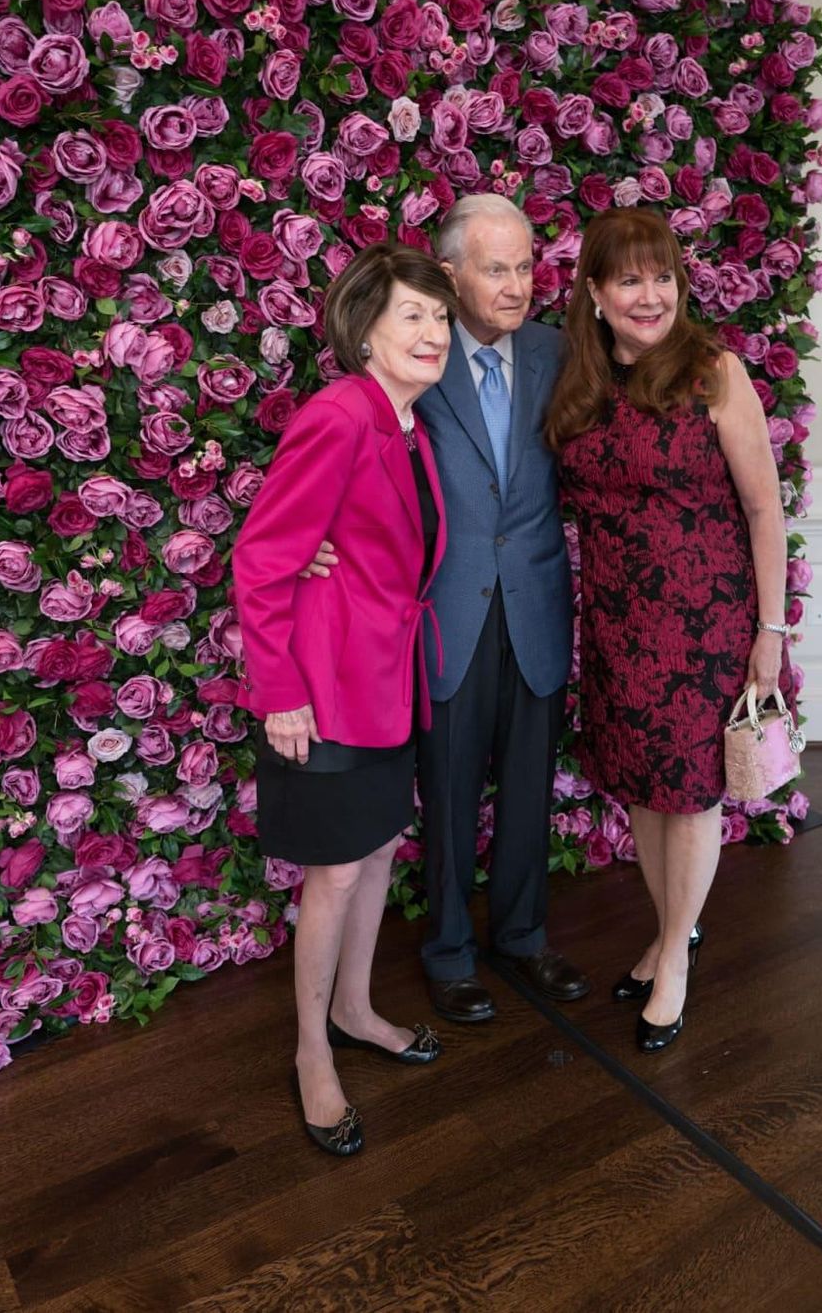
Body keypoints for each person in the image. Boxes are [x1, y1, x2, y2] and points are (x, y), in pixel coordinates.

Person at [309, 196, 589, 1022]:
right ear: (452, 273)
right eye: (496, 268)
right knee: (451, 790)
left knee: (531, 787)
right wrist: (320, 545)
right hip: (444, 614)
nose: (517, 285)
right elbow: (357, 453)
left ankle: (525, 938)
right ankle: (449, 952)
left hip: (537, 606)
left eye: (527, 266)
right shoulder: (416, 356)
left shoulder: (557, 352)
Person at [546, 207, 795, 1053]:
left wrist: (770, 630)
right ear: (595, 292)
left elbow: (765, 509)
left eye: (662, 277)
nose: (649, 295)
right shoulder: (580, 384)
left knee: (689, 795)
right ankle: (667, 929)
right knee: (643, 790)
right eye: (629, 279)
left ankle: (678, 962)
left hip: (705, 625)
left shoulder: (713, 371)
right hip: (616, 625)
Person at [232, 243, 457, 1156]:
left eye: (441, 316)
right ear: (364, 333)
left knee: (374, 854)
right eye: (414, 315)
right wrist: (280, 693)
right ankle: (311, 1051)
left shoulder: (407, 426)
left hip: (385, 685)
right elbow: (262, 559)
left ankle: (358, 1007)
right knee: (332, 873)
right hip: (322, 693)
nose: (434, 331)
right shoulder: (337, 418)